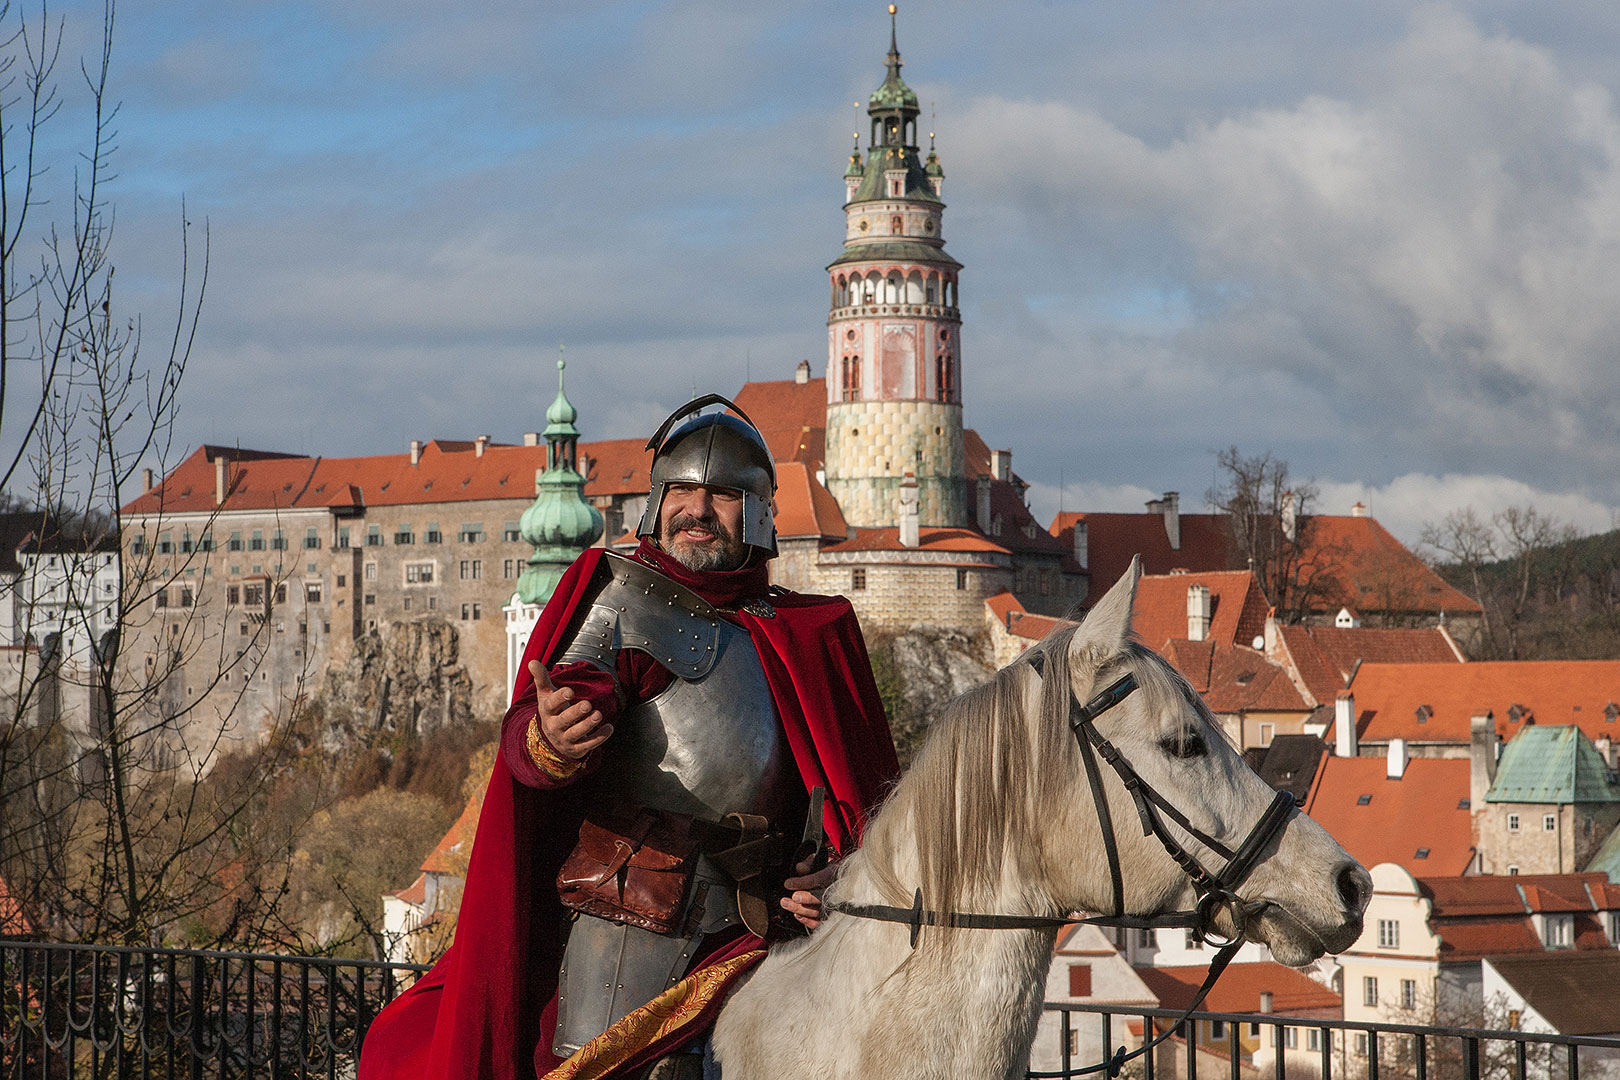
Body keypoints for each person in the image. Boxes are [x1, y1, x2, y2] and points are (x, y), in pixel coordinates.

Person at [359, 396, 901, 1080]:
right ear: (655, 502)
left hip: (773, 949)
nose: (697, 509)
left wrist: (835, 876)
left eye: (722, 494)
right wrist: (550, 738)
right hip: (633, 936)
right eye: (681, 490)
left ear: (759, 511)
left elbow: (861, 807)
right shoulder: (622, 601)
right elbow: (564, 701)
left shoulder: (809, 633)